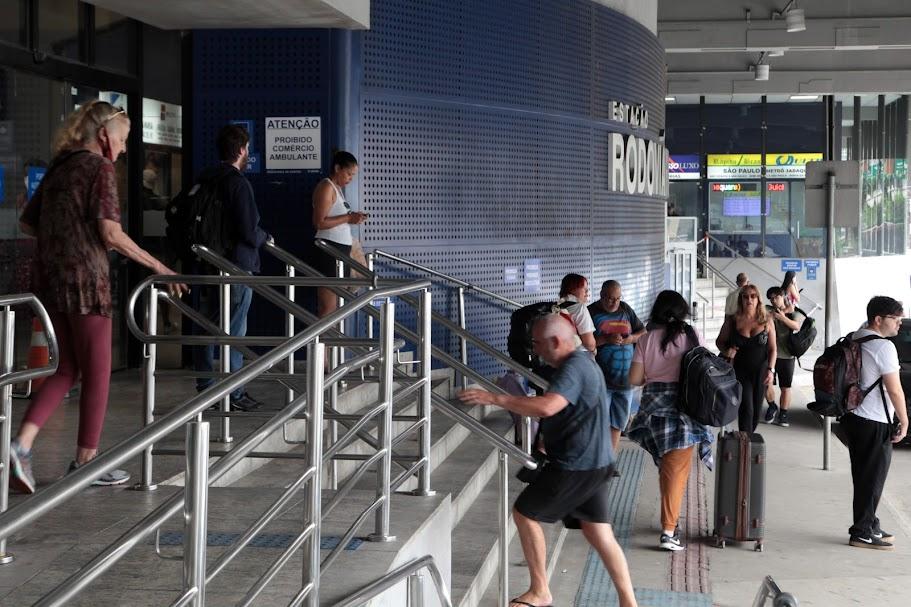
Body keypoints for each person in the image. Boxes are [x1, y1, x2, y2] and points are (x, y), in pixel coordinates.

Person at [8, 100, 185, 494]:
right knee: (99, 371)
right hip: (87, 283)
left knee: (67, 368)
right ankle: (86, 462)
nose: (123, 150)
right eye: (122, 140)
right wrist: (159, 266)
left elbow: (27, 221)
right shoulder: (99, 168)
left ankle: (20, 446)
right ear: (104, 135)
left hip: (51, 283)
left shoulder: (60, 168)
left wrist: (64, 236)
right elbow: (110, 232)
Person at [458, 315, 638, 607]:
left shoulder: (574, 366)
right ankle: (629, 603)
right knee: (599, 532)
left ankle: (540, 591)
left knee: (525, 513)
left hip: (577, 465)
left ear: (556, 342)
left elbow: (547, 406)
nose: (536, 350)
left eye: (538, 344)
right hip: (596, 462)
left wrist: (494, 398)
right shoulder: (579, 363)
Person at [191, 124, 271, 411]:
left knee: (207, 325)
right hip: (236, 266)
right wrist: (265, 237)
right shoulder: (238, 183)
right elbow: (249, 231)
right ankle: (234, 392)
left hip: (208, 263)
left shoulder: (206, 178)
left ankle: (206, 386)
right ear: (240, 150)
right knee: (235, 330)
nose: (249, 153)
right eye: (247, 148)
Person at [627, 290, 714, 552]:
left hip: (653, 411)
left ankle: (671, 521)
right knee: (677, 470)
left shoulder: (645, 340)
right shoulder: (691, 336)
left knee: (669, 469)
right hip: (684, 409)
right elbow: (705, 367)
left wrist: (653, 375)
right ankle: (668, 531)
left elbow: (634, 379)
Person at [843, 296, 908, 550]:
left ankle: (869, 523)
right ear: (878, 319)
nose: (899, 324)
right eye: (896, 319)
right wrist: (904, 419)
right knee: (872, 477)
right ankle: (861, 531)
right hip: (874, 419)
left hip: (854, 417)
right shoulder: (884, 348)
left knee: (864, 475)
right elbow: (895, 390)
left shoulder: (856, 336)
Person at [588, 280, 646, 453]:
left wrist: (630, 339)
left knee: (618, 423)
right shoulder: (591, 312)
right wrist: (606, 339)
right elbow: (582, 344)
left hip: (625, 380)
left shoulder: (626, 309)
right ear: (601, 296)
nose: (615, 303)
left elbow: (643, 333)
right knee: (599, 422)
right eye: (611, 299)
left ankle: (610, 461)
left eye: (618, 298)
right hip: (601, 380)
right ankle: (598, 459)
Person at [312, 151, 368, 317]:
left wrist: (352, 218)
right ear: (337, 168)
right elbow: (319, 222)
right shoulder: (326, 187)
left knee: (335, 307)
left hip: (340, 250)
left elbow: (339, 219)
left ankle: (330, 343)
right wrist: (349, 217)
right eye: (349, 174)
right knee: (327, 307)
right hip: (329, 250)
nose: (350, 178)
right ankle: (320, 343)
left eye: (353, 175)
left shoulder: (337, 189)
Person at [716, 284, 776, 432]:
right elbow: (720, 341)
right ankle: (744, 441)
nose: (749, 299)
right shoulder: (733, 320)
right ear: (741, 299)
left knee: (756, 410)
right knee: (746, 408)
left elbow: (773, 348)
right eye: (746, 296)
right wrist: (726, 350)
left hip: (761, 370)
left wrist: (771, 370)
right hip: (740, 370)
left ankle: (749, 440)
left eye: (753, 296)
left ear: (758, 299)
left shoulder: (766, 320)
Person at [762, 287, 801, 427]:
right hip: (769, 354)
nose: (773, 300)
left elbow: (797, 326)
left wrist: (783, 318)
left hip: (787, 356)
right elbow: (762, 316)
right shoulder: (767, 310)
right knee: (767, 383)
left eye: (776, 297)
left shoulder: (793, 312)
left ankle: (783, 413)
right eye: (771, 298)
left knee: (786, 387)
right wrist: (777, 314)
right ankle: (772, 406)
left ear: (783, 296)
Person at [556, 273, 596, 353]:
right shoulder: (579, 308)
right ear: (572, 289)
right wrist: (594, 350)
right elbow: (589, 343)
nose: (587, 291)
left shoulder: (557, 306)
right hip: (579, 356)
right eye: (584, 288)